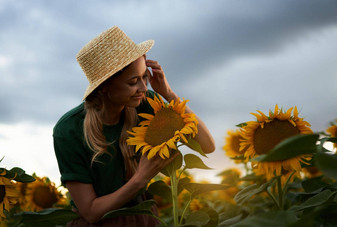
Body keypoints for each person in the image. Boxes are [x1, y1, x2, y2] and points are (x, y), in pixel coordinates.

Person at [53, 26, 215, 226]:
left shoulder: (145, 103)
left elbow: (207, 145)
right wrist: (141, 178)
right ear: (104, 86)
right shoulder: (69, 130)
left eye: (144, 77)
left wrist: (169, 94)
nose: (142, 88)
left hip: (144, 216)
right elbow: (90, 212)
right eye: (133, 82)